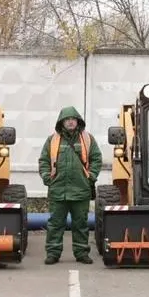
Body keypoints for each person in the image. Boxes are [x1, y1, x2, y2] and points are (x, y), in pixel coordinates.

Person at [38, 106, 101, 265]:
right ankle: (53, 253)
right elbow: (44, 161)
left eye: (73, 119)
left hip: (81, 190)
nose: (71, 122)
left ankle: (81, 253)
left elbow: (96, 159)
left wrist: (90, 178)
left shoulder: (87, 139)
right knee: (55, 224)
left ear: (78, 121)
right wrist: (47, 178)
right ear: (62, 122)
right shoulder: (52, 140)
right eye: (67, 119)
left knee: (81, 224)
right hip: (58, 190)